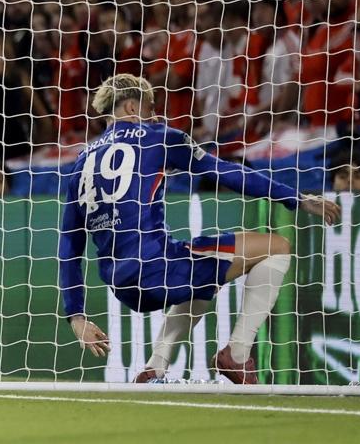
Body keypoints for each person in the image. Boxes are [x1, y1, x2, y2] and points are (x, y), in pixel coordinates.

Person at [58, 74, 339, 384]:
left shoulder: (81, 162)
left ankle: (155, 368)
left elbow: (69, 246)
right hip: (156, 267)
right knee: (277, 247)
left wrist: (77, 316)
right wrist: (296, 199)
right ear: (130, 105)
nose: (155, 115)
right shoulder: (159, 137)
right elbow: (225, 171)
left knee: (204, 274)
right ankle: (238, 353)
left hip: (121, 283)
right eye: (151, 107)